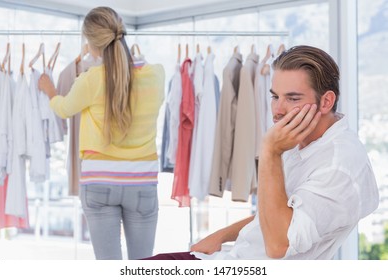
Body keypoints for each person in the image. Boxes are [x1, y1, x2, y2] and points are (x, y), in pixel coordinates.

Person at [143, 45, 379, 260]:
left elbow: (279, 246)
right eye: (275, 97)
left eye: (292, 98)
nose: (277, 110)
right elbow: (277, 211)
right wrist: (222, 235)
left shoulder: (338, 166)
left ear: (326, 101)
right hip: (230, 258)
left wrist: (270, 152)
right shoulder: (302, 140)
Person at [38, 6, 165, 260]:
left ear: (93, 45)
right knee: (142, 265)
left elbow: (64, 109)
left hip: (99, 182)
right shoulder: (156, 75)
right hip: (142, 183)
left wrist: (50, 91)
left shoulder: (90, 79)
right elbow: (136, 74)